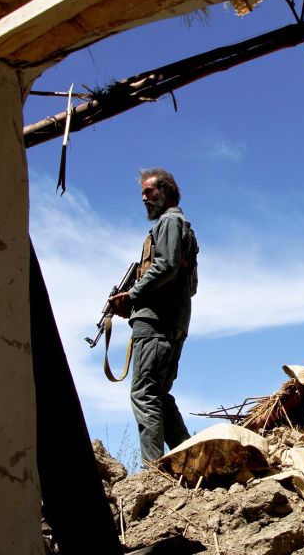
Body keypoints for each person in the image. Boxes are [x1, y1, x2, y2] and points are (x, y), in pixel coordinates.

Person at [108, 168, 198, 463]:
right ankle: (192, 463)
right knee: (158, 395)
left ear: (167, 191)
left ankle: (153, 472)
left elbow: (166, 265)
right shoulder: (185, 229)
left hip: (157, 324)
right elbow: (190, 286)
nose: (144, 198)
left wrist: (132, 295)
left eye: (149, 192)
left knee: (144, 394)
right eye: (143, 193)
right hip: (172, 323)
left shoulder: (170, 222)